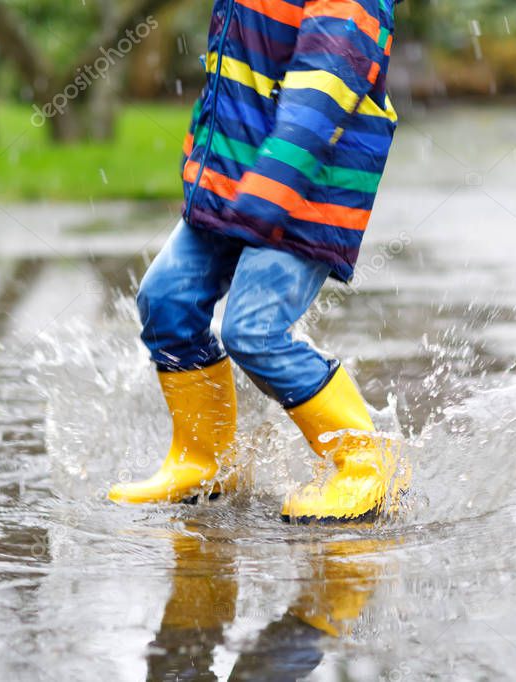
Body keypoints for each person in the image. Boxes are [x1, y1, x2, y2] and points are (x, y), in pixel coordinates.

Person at [108, 0, 404, 522]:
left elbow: (324, 88)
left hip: (306, 195)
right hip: (229, 180)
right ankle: (205, 460)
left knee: (254, 331)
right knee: (167, 301)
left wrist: (276, 181)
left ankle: (364, 461)